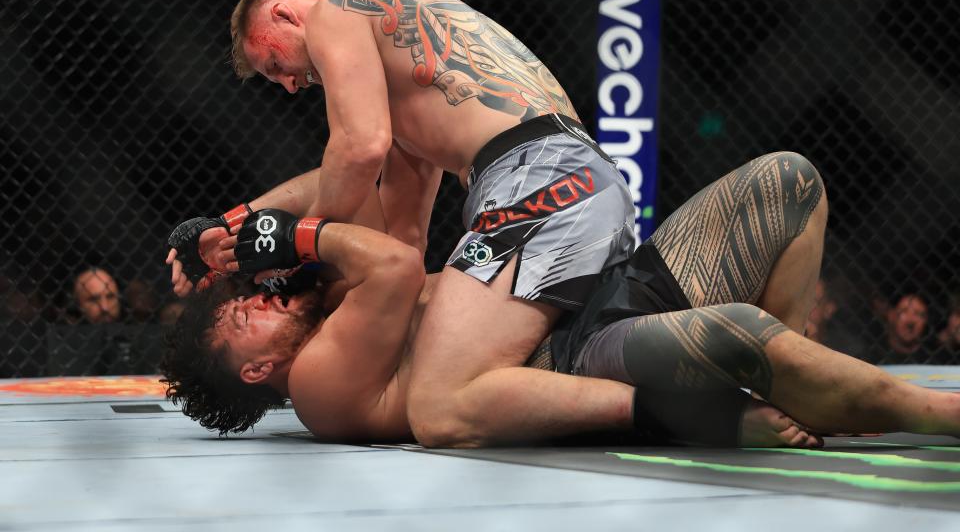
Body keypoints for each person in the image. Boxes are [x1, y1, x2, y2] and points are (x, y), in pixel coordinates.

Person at [167, 0, 637, 447]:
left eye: (274, 64)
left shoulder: (337, 7)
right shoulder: (406, 103)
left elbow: (359, 149)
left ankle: (655, 409)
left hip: (535, 179)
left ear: (284, 15)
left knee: (441, 406)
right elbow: (399, 238)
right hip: (575, 175)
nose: (289, 85)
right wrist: (229, 229)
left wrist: (296, 251)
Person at [161, 204, 960, 448]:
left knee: (788, 184)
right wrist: (292, 240)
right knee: (736, 331)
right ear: (255, 372)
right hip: (573, 354)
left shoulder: (331, 309)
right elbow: (396, 262)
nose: (259, 301)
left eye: (248, 296)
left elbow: (370, 199)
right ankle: (927, 414)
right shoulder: (315, 385)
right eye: (243, 315)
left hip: (584, 291)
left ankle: (795, 388)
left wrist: (230, 230)